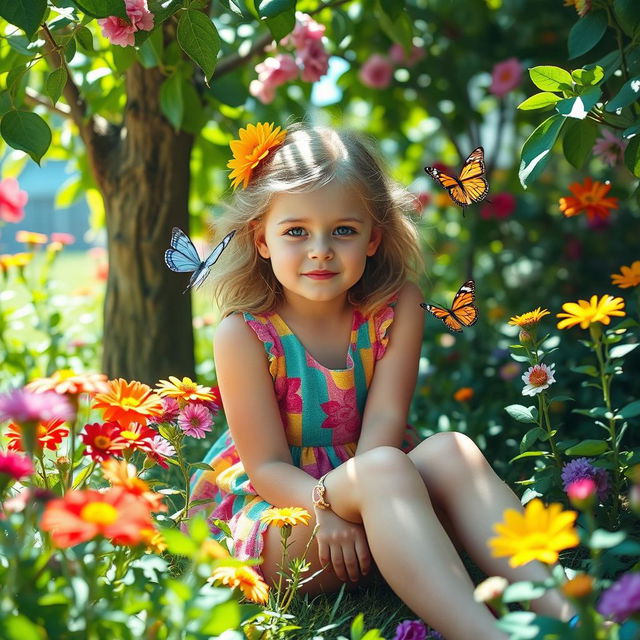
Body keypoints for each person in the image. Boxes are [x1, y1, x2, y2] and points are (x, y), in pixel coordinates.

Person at [188, 122, 575, 640]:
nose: (320, 249)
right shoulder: (245, 334)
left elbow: (387, 424)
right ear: (261, 238)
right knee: (383, 472)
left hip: (387, 493)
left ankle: (570, 610)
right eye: (295, 231)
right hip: (285, 516)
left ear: (374, 237)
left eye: (343, 231)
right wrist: (328, 506)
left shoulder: (395, 309)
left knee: (450, 450)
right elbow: (265, 467)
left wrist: (368, 492)